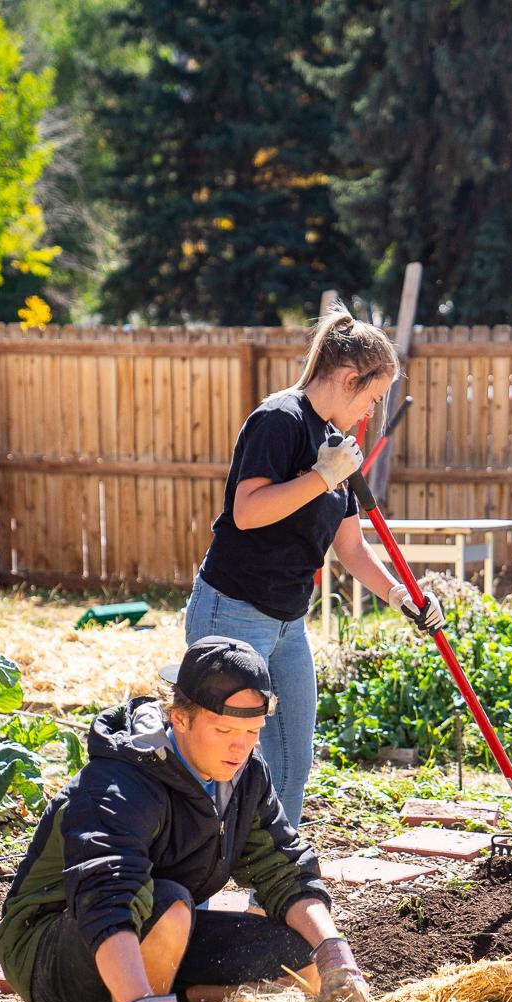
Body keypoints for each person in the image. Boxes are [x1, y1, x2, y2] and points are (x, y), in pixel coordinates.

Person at [0, 637, 370, 1002]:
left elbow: (283, 866)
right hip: (52, 946)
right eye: (225, 731)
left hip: (161, 929)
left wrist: (331, 949)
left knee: (297, 963)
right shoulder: (122, 780)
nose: (240, 748)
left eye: (252, 733)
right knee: (170, 903)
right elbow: (107, 897)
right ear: (181, 718)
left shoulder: (243, 776)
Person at [187, 308, 442, 826]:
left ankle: (273, 897)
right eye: (372, 398)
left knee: (291, 765)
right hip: (232, 612)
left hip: (287, 623)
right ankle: (196, 893)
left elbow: (350, 547)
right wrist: (322, 477)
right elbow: (248, 511)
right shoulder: (278, 420)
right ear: (351, 379)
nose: (371, 412)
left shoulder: (335, 445)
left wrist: (400, 596)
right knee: (219, 762)